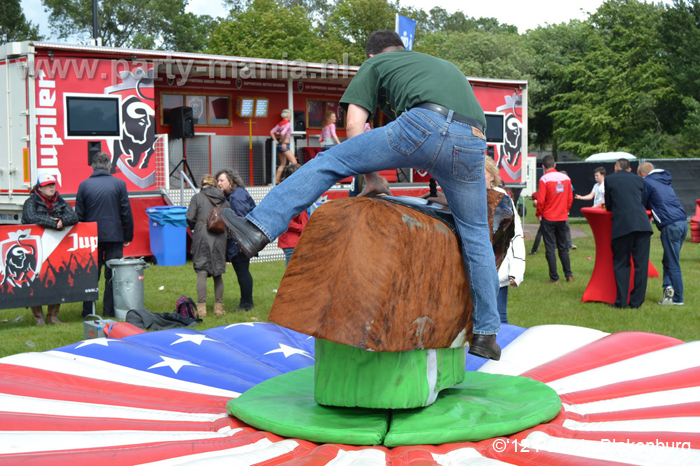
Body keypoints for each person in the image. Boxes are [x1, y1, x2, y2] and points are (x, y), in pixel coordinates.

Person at [221, 30, 502, 360]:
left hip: (425, 122)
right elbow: (446, 138)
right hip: (472, 139)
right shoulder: (440, 66)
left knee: (330, 160)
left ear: (372, 55)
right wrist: (448, 189)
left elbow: (355, 126)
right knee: (476, 236)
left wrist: (370, 177)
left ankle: (259, 228)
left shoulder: (376, 63)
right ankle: (486, 334)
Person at [75, 152, 134, 318]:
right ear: (109, 166)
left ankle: (88, 311)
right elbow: (126, 212)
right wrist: (127, 236)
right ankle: (109, 310)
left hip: (90, 237)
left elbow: (79, 214)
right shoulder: (119, 184)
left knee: (90, 274)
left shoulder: (84, 185)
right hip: (114, 236)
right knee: (113, 274)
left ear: (93, 167)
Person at [22, 174, 79, 325]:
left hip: (56, 248)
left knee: (57, 279)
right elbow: (30, 218)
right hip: (35, 249)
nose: (51, 187)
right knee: (35, 280)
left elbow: (74, 216)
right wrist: (53, 223)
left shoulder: (60, 200)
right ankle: (38, 317)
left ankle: (52, 317)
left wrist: (62, 221)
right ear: (39, 188)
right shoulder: (30, 201)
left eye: (52, 184)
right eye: (47, 185)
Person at [604, 158, 653, 309]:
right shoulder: (640, 180)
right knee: (641, 265)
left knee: (621, 263)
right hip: (643, 225)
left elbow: (609, 205)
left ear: (616, 167)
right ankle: (637, 301)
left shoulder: (610, 179)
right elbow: (642, 200)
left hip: (623, 226)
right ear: (630, 168)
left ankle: (621, 301)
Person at [638, 162, 687, 306]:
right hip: (683, 222)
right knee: (669, 260)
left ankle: (678, 298)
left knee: (672, 263)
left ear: (642, 174)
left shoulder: (647, 182)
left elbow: (643, 202)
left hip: (669, 225)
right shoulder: (664, 180)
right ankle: (668, 291)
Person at [484, 158, 525, 324]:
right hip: (474, 271)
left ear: (492, 176)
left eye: (483, 173)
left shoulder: (503, 200)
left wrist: (516, 270)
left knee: (500, 318)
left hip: (497, 271)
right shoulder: (467, 197)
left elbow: (515, 235)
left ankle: (503, 349)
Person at [186, 174, 230, 317]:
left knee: (202, 271)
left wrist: (197, 226)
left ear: (202, 185)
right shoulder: (224, 199)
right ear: (214, 185)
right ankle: (218, 308)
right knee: (218, 272)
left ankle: (201, 310)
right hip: (220, 238)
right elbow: (229, 219)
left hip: (202, 237)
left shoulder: (197, 198)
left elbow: (189, 217)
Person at [216, 169, 256, 311]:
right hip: (242, 240)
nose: (219, 183)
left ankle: (246, 304)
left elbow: (241, 220)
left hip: (241, 241)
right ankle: (246, 302)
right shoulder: (236, 194)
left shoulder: (236, 196)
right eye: (218, 181)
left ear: (230, 181)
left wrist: (239, 242)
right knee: (243, 271)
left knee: (242, 271)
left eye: (221, 180)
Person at [536, 155, 574, 283]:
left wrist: (539, 214)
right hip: (562, 217)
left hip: (548, 217)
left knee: (550, 247)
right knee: (563, 247)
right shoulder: (566, 178)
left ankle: (554, 277)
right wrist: (565, 210)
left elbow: (541, 200)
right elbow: (570, 199)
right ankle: (569, 275)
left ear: (543, 166)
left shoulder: (544, 179)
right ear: (555, 165)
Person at [277, 164, 309, 266]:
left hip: (297, 240)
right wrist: (302, 228)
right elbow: (285, 220)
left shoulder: (295, 194)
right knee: (293, 275)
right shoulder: (286, 195)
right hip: (291, 241)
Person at [270, 109, 298, 184]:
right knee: (294, 162)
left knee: (282, 164)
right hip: (285, 145)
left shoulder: (280, 123)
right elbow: (282, 133)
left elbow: (272, 132)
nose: (291, 117)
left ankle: (276, 180)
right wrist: (283, 143)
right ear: (288, 116)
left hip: (280, 145)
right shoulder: (288, 124)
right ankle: (289, 178)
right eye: (291, 115)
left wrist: (276, 141)